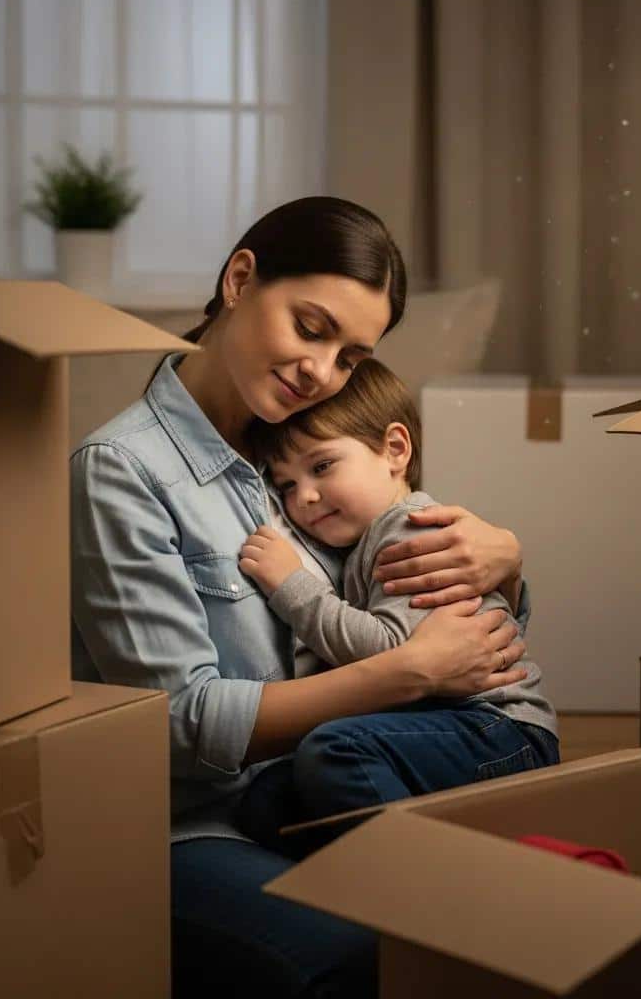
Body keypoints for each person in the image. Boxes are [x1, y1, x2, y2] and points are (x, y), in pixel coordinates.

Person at [70, 197, 532, 999]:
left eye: (351, 356)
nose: (322, 371)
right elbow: (179, 725)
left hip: (321, 789)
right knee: (373, 954)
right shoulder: (122, 469)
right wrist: (407, 673)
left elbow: (413, 598)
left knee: (510, 923)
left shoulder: (304, 446)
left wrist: (506, 564)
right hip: (196, 825)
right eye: (310, 328)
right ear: (241, 279)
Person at [233, 358, 559, 846]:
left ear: (394, 449)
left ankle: (420, 878)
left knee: (334, 752)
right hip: (441, 726)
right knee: (267, 800)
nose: (306, 497)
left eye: (321, 467)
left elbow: (395, 654)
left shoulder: (408, 531)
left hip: (498, 730)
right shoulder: (363, 541)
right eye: (286, 486)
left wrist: (293, 587)